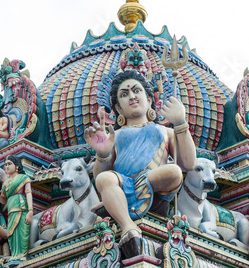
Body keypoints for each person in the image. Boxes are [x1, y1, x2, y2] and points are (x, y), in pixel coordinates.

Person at [84, 69, 196, 255]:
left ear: (149, 100)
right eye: (124, 94)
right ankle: (128, 227)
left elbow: (189, 163)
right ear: (118, 108)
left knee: (174, 172)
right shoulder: (115, 135)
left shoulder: (163, 131)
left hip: (154, 182)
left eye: (137, 91)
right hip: (122, 183)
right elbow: (98, 178)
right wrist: (103, 153)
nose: (132, 96)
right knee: (104, 179)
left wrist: (180, 122)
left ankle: (130, 198)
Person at [0, 155, 33, 259]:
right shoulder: (5, 183)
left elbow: (28, 193)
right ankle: (15, 255)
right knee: (12, 234)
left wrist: (30, 211)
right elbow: (4, 200)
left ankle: (22, 255)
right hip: (11, 211)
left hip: (22, 209)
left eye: (10, 164)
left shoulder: (23, 178)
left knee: (22, 233)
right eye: (5, 164)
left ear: (17, 166)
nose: (7, 166)